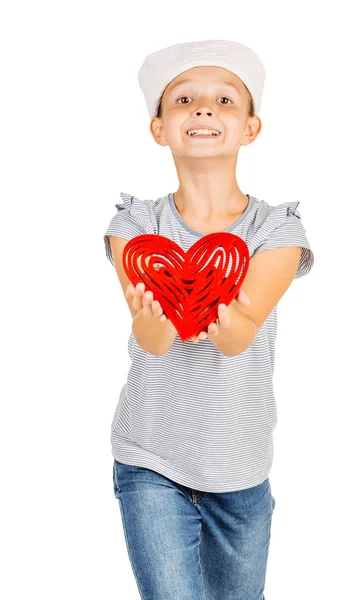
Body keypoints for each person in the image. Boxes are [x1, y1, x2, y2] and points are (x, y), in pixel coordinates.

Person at [104, 39, 314, 600]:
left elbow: (238, 337)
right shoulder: (134, 226)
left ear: (250, 128)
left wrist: (197, 305)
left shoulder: (277, 231)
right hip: (150, 460)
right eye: (184, 100)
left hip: (241, 469)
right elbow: (150, 339)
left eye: (224, 100)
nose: (203, 110)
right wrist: (159, 318)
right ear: (158, 128)